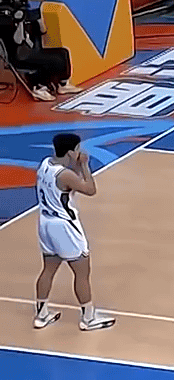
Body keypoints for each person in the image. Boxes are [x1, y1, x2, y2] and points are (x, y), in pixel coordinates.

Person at [33, 133, 115, 331]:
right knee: (82, 272)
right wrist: (85, 166)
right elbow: (90, 189)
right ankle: (88, 318)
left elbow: (69, 186)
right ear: (71, 152)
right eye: (78, 149)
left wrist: (76, 166)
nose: (80, 152)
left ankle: (41, 315)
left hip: (45, 223)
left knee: (48, 270)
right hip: (65, 227)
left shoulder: (45, 164)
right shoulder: (65, 175)